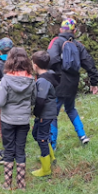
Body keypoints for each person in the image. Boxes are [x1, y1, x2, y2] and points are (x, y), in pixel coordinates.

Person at [47, 17, 98, 149]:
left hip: (58, 83)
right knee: (70, 109)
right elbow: (89, 63)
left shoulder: (56, 42)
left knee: (53, 113)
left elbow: (50, 59)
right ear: (74, 31)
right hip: (72, 84)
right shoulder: (78, 45)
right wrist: (94, 82)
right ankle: (83, 136)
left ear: (60, 30)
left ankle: (51, 146)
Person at [0, 47, 36, 190]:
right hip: (23, 120)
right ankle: (21, 184)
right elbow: (33, 100)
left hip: (7, 120)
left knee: (8, 150)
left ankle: (7, 183)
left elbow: (0, 102)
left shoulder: (6, 80)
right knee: (20, 150)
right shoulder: (31, 79)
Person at [29, 50, 58, 178]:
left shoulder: (43, 81)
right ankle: (51, 156)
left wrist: (36, 112)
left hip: (45, 114)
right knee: (36, 134)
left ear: (35, 65)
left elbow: (40, 100)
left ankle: (46, 169)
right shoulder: (49, 75)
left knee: (41, 138)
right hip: (47, 113)